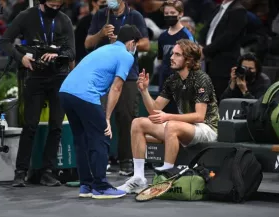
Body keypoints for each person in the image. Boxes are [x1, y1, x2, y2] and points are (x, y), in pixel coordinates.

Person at [117, 39, 219, 194]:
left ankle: (167, 175)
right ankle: (138, 179)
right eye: (172, 53)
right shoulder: (173, 80)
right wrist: (144, 91)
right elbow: (155, 110)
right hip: (184, 128)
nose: (172, 57)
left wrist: (168, 117)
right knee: (138, 123)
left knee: (171, 125)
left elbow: (199, 116)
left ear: (189, 60)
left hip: (207, 128)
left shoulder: (201, 78)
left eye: (177, 54)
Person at [59, 25, 141, 199]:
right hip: (84, 94)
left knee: (81, 140)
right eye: (136, 45)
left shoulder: (106, 48)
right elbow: (117, 88)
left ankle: (86, 186)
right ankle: (101, 186)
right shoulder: (126, 55)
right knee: (102, 136)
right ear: (132, 43)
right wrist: (107, 118)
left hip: (65, 92)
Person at [0, 0, 75, 187]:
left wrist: (59, 55)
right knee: (30, 126)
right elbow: (5, 41)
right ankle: (20, 172)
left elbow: (72, 52)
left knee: (56, 126)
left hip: (59, 77)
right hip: (35, 76)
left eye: (59, 5)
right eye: (52, 4)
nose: (55, 8)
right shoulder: (27, 16)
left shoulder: (64, 20)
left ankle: (48, 171)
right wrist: (21, 57)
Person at [85, 0, 150, 176]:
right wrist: (101, 34)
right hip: (104, 74)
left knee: (126, 117)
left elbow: (146, 44)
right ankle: (101, 158)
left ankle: (126, 160)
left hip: (128, 74)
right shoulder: (100, 15)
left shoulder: (134, 16)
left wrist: (122, 42)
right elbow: (88, 43)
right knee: (99, 115)